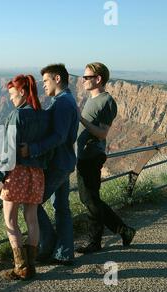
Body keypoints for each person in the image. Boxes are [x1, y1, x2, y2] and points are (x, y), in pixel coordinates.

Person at [0, 74, 54, 280]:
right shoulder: (43, 115)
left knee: (10, 219)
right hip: (37, 173)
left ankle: (21, 267)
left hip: (16, 173)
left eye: (12, 94)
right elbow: (49, 147)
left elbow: (9, 152)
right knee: (31, 219)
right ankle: (31, 265)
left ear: (23, 92)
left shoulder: (17, 116)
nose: (10, 98)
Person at [20, 64, 79, 265]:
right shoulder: (67, 100)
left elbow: (59, 137)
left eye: (45, 81)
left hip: (58, 164)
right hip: (66, 162)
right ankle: (64, 253)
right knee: (61, 208)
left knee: (31, 203)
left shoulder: (62, 103)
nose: (43, 85)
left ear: (57, 79)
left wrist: (33, 149)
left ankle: (49, 242)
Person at [76, 62, 136, 254]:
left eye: (87, 77)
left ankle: (123, 230)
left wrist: (80, 119)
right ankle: (96, 241)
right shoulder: (92, 99)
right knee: (91, 198)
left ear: (98, 79)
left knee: (89, 199)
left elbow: (102, 133)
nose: (83, 80)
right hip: (84, 154)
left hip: (92, 156)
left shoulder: (106, 101)